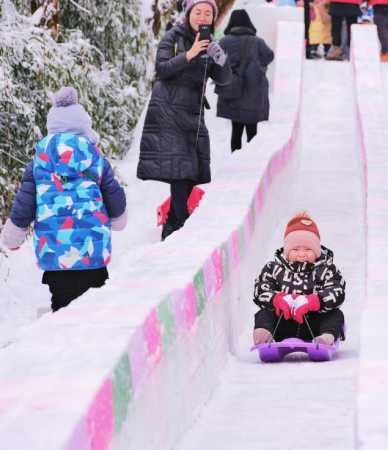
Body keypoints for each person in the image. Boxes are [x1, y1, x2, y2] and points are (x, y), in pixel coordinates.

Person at [0, 87, 127, 312]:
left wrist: (12, 238)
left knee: (61, 309)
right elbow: (114, 196)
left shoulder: (39, 161)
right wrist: (117, 220)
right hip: (92, 251)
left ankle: (64, 342)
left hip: (55, 253)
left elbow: (24, 205)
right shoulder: (94, 157)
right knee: (95, 308)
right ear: (84, 127)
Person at [137, 0, 231, 241]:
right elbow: (162, 69)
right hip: (168, 110)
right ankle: (180, 226)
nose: (202, 17)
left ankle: (173, 224)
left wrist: (220, 59)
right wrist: (190, 54)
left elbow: (224, 80)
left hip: (193, 113)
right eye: (198, 12)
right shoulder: (172, 37)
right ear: (189, 14)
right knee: (181, 171)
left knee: (191, 171)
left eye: (208, 13)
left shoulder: (211, 43)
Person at [252, 212, 346, 346]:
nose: (302, 254)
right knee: (263, 313)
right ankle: (264, 336)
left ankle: (326, 338)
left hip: (314, 325)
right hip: (282, 323)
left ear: (317, 251)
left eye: (308, 249)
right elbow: (260, 290)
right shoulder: (273, 269)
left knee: (335, 315)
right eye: (295, 249)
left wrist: (314, 301)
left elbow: (337, 292)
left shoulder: (327, 270)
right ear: (286, 250)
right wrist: (277, 299)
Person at [216, 10, 275, 153]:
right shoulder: (258, 42)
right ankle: (252, 162)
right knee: (252, 131)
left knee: (236, 132)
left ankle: (235, 162)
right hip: (253, 91)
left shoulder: (224, 42)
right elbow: (269, 56)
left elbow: (216, 61)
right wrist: (258, 67)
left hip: (232, 91)